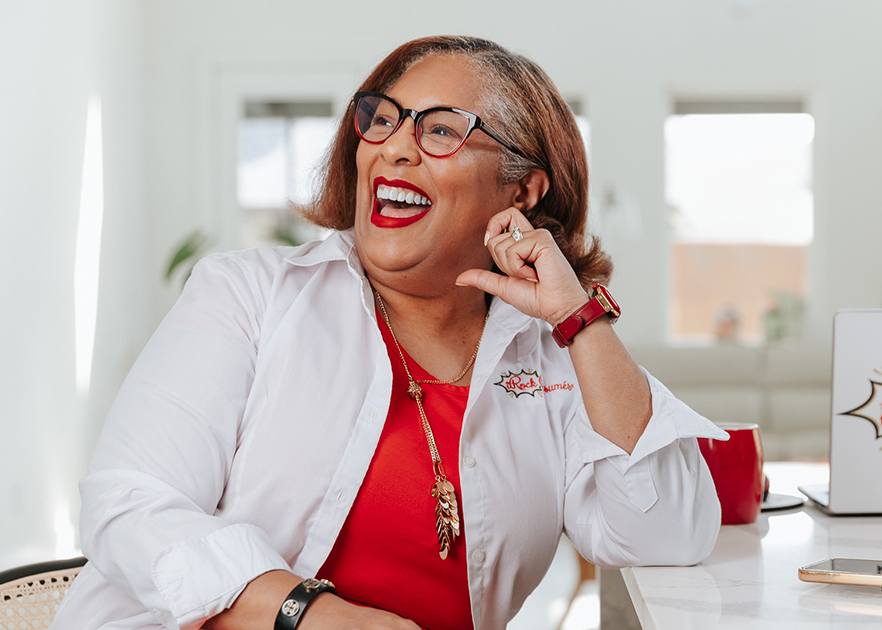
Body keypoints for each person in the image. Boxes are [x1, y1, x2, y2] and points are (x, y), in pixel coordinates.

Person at [51, 35, 725, 630]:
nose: (395, 146)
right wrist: (309, 615)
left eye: (440, 130)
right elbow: (130, 506)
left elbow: (663, 536)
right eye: (383, 120)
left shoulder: (548, 356)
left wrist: (580, 321)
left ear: (522, 192)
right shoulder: (249, 294)